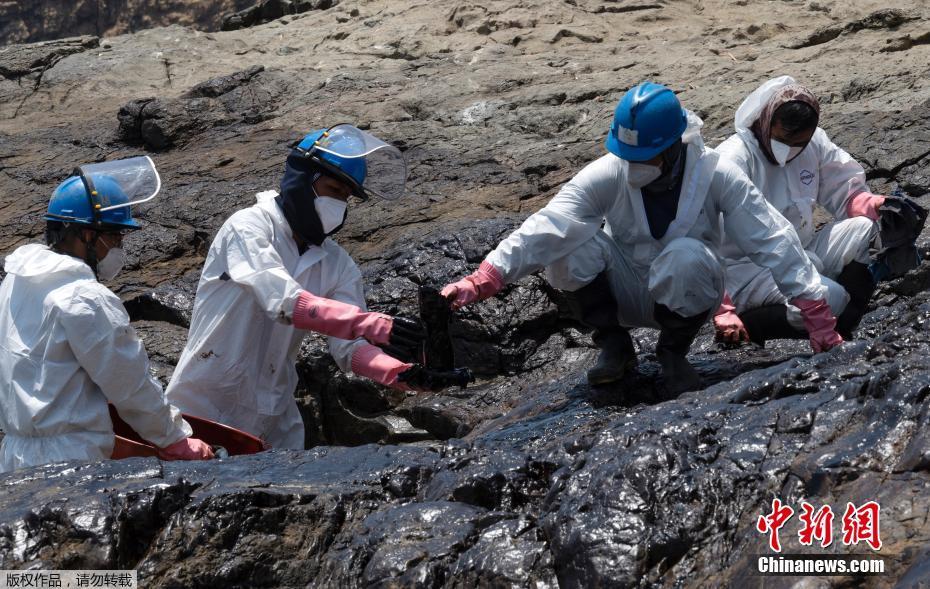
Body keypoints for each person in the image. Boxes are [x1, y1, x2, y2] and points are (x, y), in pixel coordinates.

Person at [440, 82, 843, 394]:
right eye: (627, 155)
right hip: (626, 290)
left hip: (688, 294)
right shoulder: (608, 172)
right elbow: (547, 226)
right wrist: (484, 278)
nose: (632, 165)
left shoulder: (717, 174)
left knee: (686, 255)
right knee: (570, 245)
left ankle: (672, 352)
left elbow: (771, 237)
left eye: (645, 157)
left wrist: (816, 314)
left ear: (673, 147)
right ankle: (614, 346)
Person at [166, 124, 446, 450]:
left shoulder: (337, 263)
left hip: (273, 415)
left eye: (346, 197)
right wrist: (373, 323)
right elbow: (283, 300)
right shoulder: (247, 227)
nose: (339, 204)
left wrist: (400, 373)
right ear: (302, 178)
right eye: (333, 189)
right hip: (203, 404)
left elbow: (349, 348)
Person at [0, 157, 214, 473]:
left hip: (14, 455)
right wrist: (174, 439)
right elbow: (129, 382)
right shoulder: (84, 298)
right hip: (71, 461)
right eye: (114, 236)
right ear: (86, 235)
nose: (118, 248)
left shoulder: (17, 279)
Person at [712, 76, 919, 345]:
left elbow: (845, 190)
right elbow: (704, 235)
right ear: (765, 121)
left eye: (799, 144)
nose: (789, 152)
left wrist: (876, 205)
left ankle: (843, 327)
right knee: (829, 300)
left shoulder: (814, 144)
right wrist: (723, 307)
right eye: (782, 140)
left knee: (870, 230)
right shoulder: (732, 160)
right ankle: (754, 324)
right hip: (747, 272)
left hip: (801, 252)